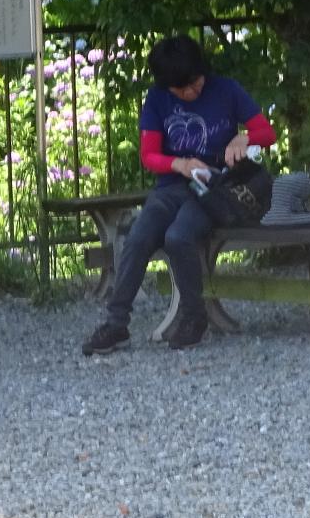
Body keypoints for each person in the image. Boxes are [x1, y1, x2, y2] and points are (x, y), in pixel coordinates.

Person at [80, 36, 277, 357]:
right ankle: (116, 324)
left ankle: (194, 316)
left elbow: (267, 132)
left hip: (214, 189)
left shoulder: (226, 89)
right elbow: (149, 155)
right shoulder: (157, 99)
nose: (191, 92)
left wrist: (244, 138)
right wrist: (180, 164)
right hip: (172, 185)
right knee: (138, 237)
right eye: (181, 89)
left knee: (178, 236)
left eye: (195, 83)